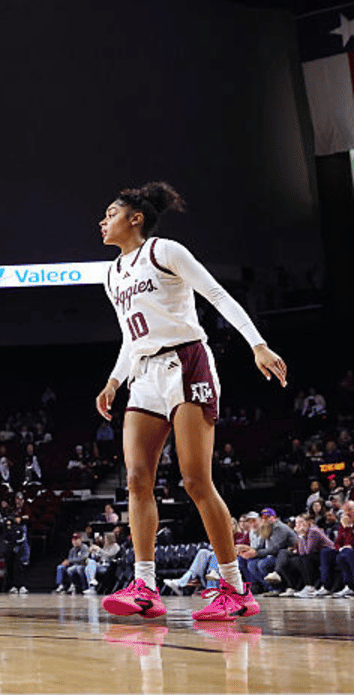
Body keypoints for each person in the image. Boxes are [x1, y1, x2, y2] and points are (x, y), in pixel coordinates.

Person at [94, 182, 287, 622]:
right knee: (136, 480)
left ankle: (236, 588)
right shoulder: (112, 275)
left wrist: (257, 344)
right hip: (143, 374)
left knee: (195, 481)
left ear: (135, 218)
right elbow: (131, 335)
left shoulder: (166, 251)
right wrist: (113, 380)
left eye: (110, 213)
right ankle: (145, 587)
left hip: (186, 362)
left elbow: (217, 294)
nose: (102, 221)